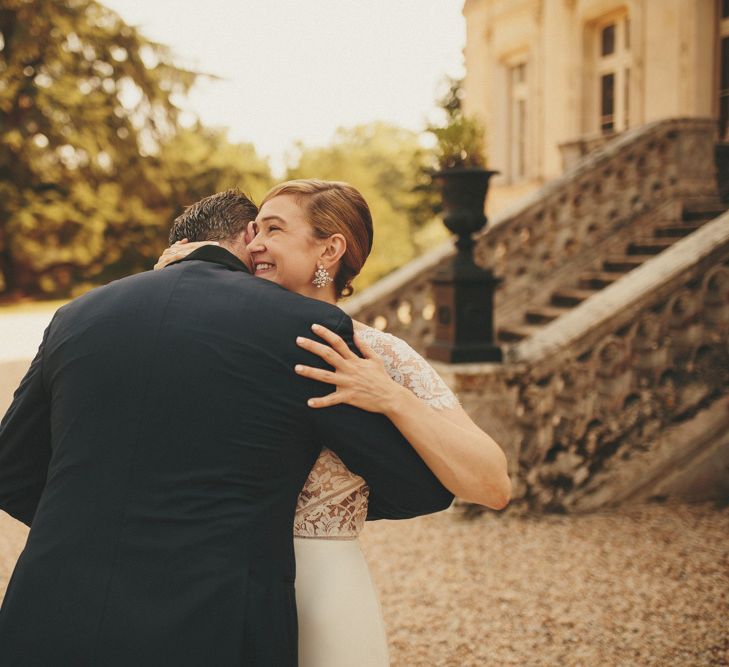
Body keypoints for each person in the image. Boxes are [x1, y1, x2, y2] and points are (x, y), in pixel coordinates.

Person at [0, 189, 455, 667]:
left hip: (54, 610)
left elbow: (11, 469)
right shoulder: (306, 328)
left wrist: (98, 533)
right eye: (264, 231)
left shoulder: (77, 315)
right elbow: (420, 487)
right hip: (210, 620)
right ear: (247, 234)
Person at [157, 179, 511, 666]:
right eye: (255, 229)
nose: (254, 242)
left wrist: (390, 397)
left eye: (274, 229)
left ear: (330, 249)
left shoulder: (379, 353)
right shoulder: (215, 339)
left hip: (322, 592)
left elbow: (493, 484)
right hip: (212, 589)